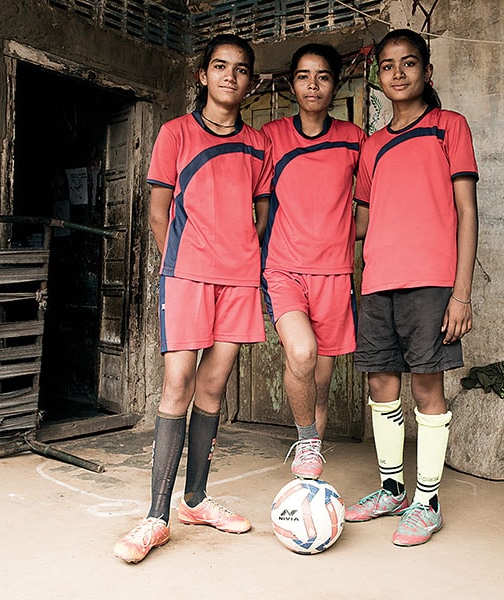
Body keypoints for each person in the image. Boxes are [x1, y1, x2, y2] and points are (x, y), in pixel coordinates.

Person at [113, 33, 272, 564]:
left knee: (213, 384)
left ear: (250, 83)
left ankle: (197, 501)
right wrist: (180, 264)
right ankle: (156, 516)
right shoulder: (176, 133)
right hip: (187, 276)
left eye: (241, 69)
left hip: (240, 280)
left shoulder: (258, 145)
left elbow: (262, 214)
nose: (231, 75)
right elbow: (159, 212)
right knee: (177, 383)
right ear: (203, 75)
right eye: (220, 66)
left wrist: (240, 255)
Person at [345, 29, 479, 547]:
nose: (397, 73)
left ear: (426, 70)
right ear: (378, 77)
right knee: (381, 385)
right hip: (377, 282)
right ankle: (391, 489)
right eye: (387, 66)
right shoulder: (372, 146)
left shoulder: (449, 128)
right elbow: (361, 222)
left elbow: (466, 212)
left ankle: (427, 501)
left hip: (431, 283)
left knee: (427, 387)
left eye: (408, 64)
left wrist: (461, 294)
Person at [260, 44, 365, 480]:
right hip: (283, 268)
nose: (313, 85)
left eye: (322, 76)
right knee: (301, 354)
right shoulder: (271, 137)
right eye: (303, 76)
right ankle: (306, 440)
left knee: (320, 386)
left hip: (335, 276)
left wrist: (351, 238)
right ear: (291, 84)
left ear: (335, 84)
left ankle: (308, 474)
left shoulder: (355, 138)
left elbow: (373, 199)